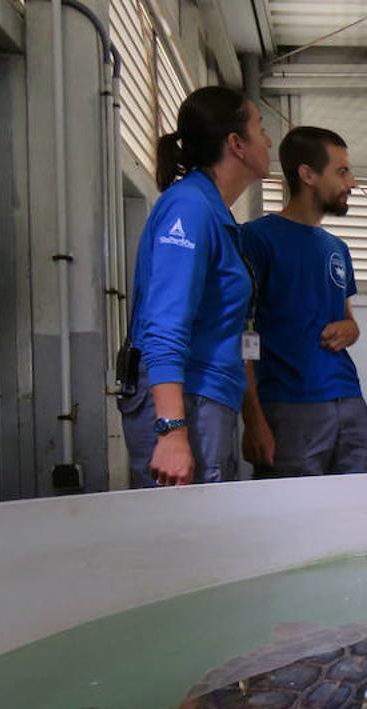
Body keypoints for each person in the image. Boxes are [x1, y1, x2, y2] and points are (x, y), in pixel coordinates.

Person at [121, 86, 271, 486]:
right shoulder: (189, 208)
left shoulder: (217, 215)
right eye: (261, 127)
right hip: (186, 400)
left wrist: (252, 417)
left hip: (209, 399)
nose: (269, 139)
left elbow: (235, 331)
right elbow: (165, 324)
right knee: (178, 541)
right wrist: (171, 431)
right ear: (236, 144)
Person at [239, 126, 367, 478]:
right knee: (292, 522)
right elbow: (240, 335)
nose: (352, 182)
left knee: (357, 515)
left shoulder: (336, 249)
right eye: (341, 171)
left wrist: (350, 329)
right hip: (288, 408)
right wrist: (253, 420)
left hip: (349, 403)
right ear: (307, 174)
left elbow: (349, 322)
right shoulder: (255, 239)